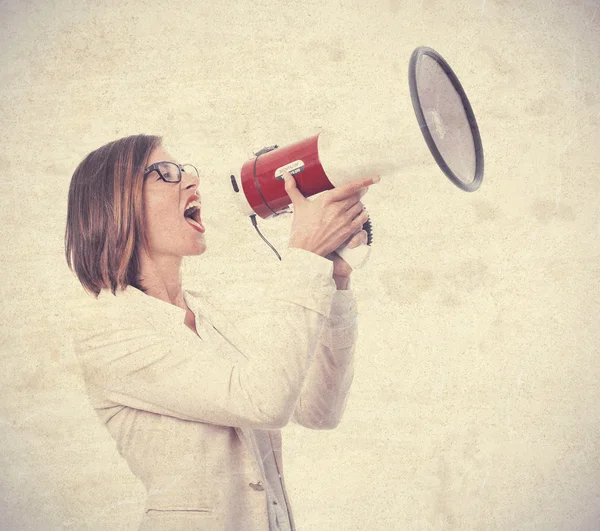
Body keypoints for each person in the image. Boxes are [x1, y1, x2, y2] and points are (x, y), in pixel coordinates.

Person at [65, 134, 378, 531]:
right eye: (164, 174)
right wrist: (304, 256)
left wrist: (334, 280)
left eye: (186, 171)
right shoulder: (107, 330)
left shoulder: (210, 313)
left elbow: (318, 411)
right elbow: (263, 402)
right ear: (112, 205)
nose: (192, 182)